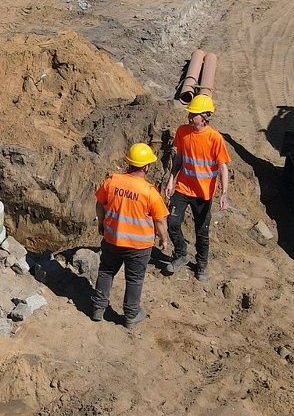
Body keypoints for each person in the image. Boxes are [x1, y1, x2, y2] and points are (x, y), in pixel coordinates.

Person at [91, 142, 170, 328]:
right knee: (134, 279)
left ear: (129, 162)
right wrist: (163, 239)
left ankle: (97, 308)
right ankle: (131, 315)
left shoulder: (112, 181)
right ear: (146, 166)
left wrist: (101, 224)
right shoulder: (150, 192)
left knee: (106, 272)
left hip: (112, 239)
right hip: (138, 247)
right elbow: (160, 221)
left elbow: (99, 204)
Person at [157, 94, 231, 282]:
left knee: (202, 231)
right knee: (172, 222)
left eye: (194, 114)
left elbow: (223, 167)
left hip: (203, 194)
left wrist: (224, 193)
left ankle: (202, 264)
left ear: (205, 116)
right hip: (183, 188)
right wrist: (171, 181)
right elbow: (179, 159)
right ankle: (181, 253)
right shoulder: (182, 131)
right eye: (190, 114)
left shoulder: (215, 139)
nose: (190, 117)